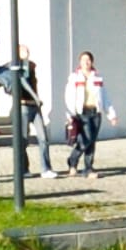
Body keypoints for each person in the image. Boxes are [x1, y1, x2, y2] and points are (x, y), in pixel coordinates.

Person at [63, 51, 113, 177]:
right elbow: (69, 96)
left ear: (92, 62)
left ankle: (88, 168)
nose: (86, 62)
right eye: (83, 60)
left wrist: (111, 114)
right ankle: (72, 161)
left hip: (95, 112)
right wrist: (71, 113)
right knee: (87, 139)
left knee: (92, 140)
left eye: (88, 60)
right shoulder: (74, 76)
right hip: (82, 112)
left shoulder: (97, 77)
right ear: (80, 62)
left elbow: (105, 96)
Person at [13, 44, 55, 176]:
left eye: (27, 50)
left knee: (43, 138)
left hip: (34, 106)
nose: (27, 52)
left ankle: (46, 168)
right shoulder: (15, 68)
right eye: (23, 50)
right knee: (23, 139)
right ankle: (23, 168)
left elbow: (31, 80)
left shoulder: (31, 66)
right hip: (23, 106)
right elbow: (20, 81)